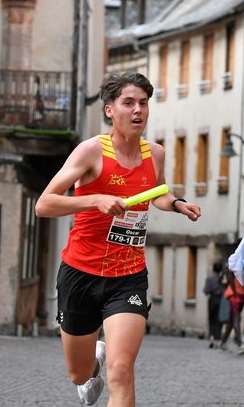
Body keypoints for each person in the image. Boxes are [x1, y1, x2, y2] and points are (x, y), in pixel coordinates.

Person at [36, 71, 202, 406]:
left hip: (128, 276)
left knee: (122, 369)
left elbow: (156, 193)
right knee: (78, 374)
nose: (138, 110)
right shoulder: (91, 152)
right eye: (128, 103)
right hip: (81, 271)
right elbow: (44, 204)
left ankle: (107, 361)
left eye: (143, 103)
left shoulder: (154, 154)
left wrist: (177, 204)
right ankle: (93, 362)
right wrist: (93, 200)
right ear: (110, 109)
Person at [219, 268, 244, 352]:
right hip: (235, 296)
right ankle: (240, 345)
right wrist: (235, 293)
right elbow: (230, 276)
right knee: (236, 319)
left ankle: (222, 343)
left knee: (231, 322)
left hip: (240, 295)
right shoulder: (236, 259)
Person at [203, 261, 225, 349]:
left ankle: (212, 338)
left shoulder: (209, 279)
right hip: (221, 299)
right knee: (219, 320)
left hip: (212, 299)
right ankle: (217, 340)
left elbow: (206, 291)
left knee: (211, 319)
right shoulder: (222, 279)